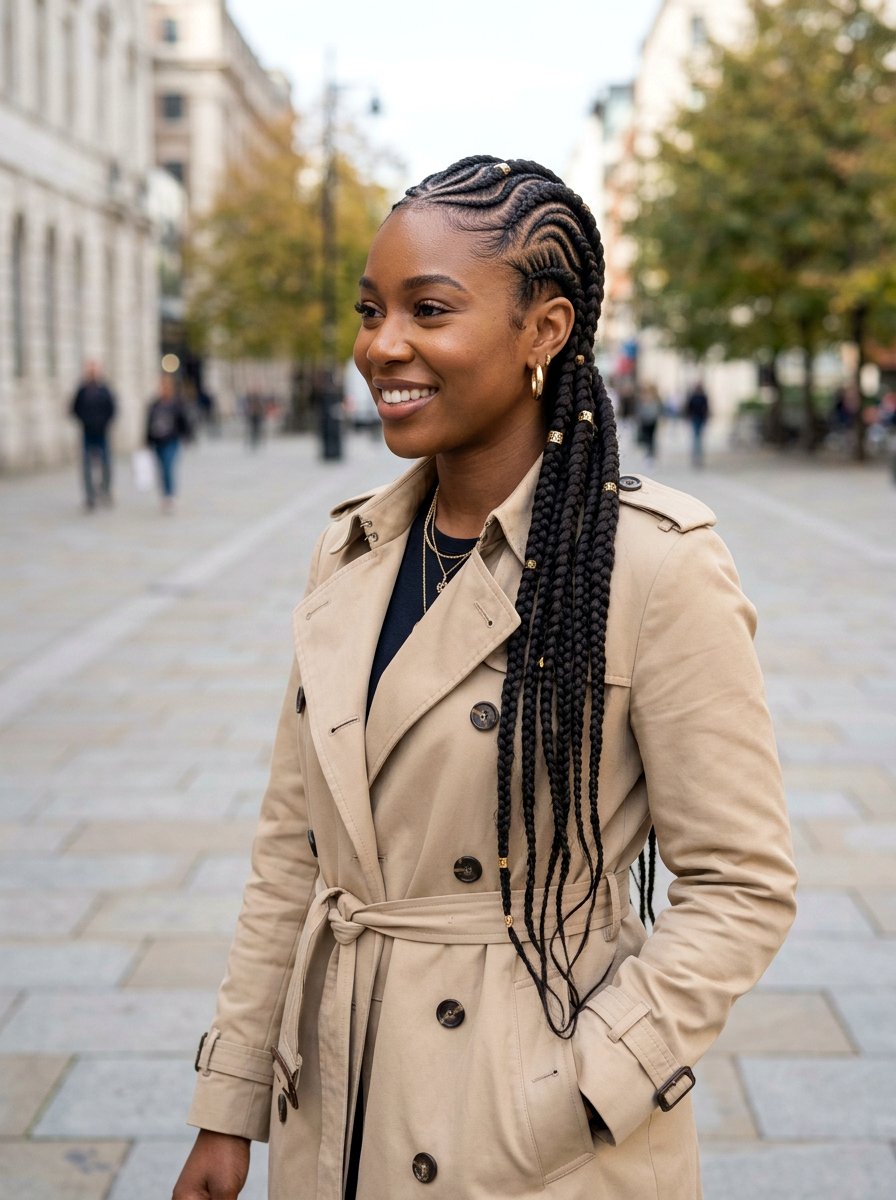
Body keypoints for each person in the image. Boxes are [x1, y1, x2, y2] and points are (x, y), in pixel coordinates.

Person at [174, 156, 796, 1200]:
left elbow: (741, 884)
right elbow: (290, 853)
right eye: (370, 309)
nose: (381, 346)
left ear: (542, 332)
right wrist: (228, 1104)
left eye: (429, 308)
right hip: (334, 1110)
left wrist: (584, 1085)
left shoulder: (650, 563)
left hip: (534, 1140)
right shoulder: (351, 551)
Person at [69, 360, 116, 509]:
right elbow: (74, 409)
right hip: (87, 432)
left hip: (102, 432)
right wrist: (85, 421)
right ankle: (90, 496)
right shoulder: (82, 390)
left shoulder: (104, 389)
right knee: (87, 465)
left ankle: (105, 489)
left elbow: (112, 408)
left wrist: (104, 422)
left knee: (106, 463)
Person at [145, 374, 192, 511]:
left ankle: (169, 494)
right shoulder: (154, 404)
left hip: (172, 440)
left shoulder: (176, 404)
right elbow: (148, 423)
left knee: (168, 465)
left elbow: (184, 421)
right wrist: (147, 440)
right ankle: (165, 493)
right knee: (161, 468)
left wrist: (187, 436)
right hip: (158, 441)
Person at [684, 379, 711, 467]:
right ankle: (696, 455)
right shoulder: (694, 396)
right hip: (695, 418)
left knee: (698, 437)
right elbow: (689, 408)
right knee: (696, 437)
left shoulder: (703, 396)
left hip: (700, 418)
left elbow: (706, 408)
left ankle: (698, 455)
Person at [635, 381, 662, 462]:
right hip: (645, 421)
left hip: (652, 421)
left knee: (651, 438)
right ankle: (649, 453)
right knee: (646, 438)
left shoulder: (656, 398)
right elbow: (639, 409)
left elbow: (658, 409)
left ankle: (651, 453)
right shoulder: (642, 398)